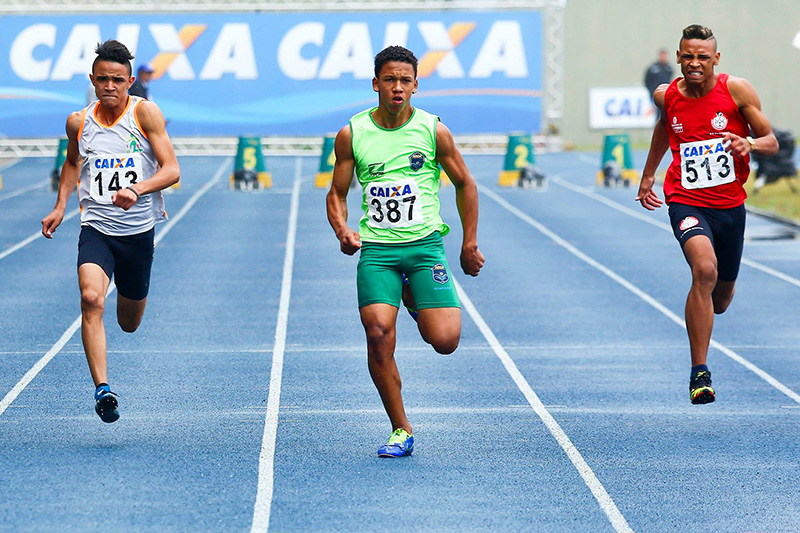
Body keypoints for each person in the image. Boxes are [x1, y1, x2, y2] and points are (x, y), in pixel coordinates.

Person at [326, 45, 484, 457]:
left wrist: (469, 242)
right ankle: (401, 428)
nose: (398, 88)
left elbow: (466, 183)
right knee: (378, 334)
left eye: (406, 81)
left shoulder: (433, 130)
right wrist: (343, 229)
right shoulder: (352, 133)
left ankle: (414, 299)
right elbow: (336, 194)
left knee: (446, 341)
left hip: (425, 247)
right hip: (377, 251)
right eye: (390, 80)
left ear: (416, 86)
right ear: (376, 84)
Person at [635, 25, 777, 404]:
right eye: (688, 56)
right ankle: (700, 373)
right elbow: (663, 130)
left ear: (716, 59)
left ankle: (711, 303)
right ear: (678, 58)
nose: (694, 63)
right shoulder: (666, 95)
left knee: (721, 299)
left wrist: (746, 142)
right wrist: (649, 176)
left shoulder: (736, 90)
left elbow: (771, 141)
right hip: (685, 198)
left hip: (729, 206)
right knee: (704, 271)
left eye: (702, 56)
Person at [41, 40, 180, 423]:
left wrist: (137, 189)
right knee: (90, 299)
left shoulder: (146, 114)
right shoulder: (79, 121)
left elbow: (171, 170)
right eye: (102, 79)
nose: (109, 87)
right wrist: (59, 207)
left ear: (130, 81)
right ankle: (103, 389)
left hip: (137, 233)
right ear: (93, 80)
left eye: (117, 80)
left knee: (128, 323)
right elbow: (72, 164)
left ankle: (129, 305)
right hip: (96, 227)